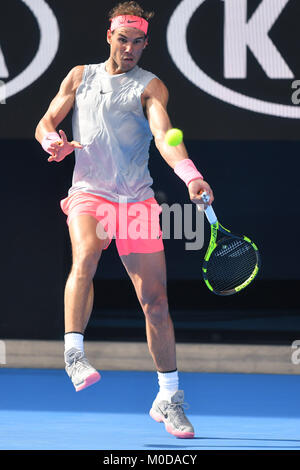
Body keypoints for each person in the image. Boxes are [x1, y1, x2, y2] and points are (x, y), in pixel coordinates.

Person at [35, 1, 214, 439]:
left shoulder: (151, 86)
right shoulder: (81, 76)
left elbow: (163, 136)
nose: (129, 48)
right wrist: (52, 142)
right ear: (109, 37)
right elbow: (46, 122)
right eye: (122, 39)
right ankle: (74, 352)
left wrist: (190, 174)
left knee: (155, 302)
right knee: (86, 257)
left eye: (138, 42)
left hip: (135, 202)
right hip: (89, 194)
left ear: (145, 43)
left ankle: (169, 396)